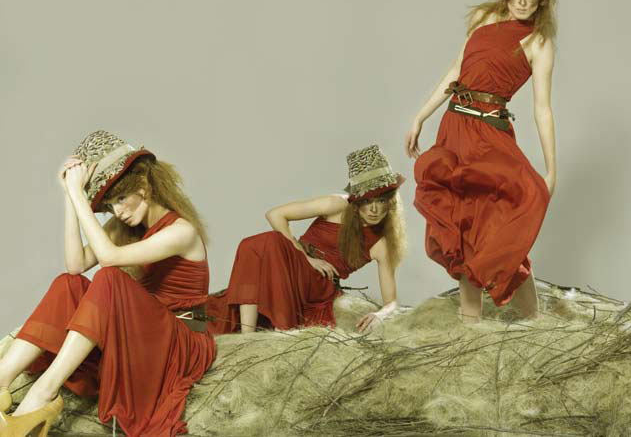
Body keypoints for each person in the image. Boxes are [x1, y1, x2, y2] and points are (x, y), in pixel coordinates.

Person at [0, 130, 215, 436]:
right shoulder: (126, 225)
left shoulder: (182, 232)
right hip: (143, 330)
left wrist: (79, 195)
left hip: (180, 340)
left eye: (121, 199)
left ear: (143, 186)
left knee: (109, 277)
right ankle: (2, 380)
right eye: (110, 206)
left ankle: (43, 395)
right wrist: (70, 198)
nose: (118, 212)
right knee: (68, 283)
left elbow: (109, 259)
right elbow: (75, 265)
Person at [405, 0, 558, 322]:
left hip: (490, 136)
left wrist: (551, 169)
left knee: (499, 228)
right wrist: (421, 115)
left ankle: (534, 321)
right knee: (461, 225)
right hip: (454, 127)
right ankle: (470, 324)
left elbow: (542, 108)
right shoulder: (483, 20)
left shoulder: (539, 42)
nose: (523, 0)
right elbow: (457, 70)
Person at [207, 145, 406, 334]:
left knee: (268, 242)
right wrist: (305, 257)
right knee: (252, 244)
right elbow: (275, 214)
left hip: (318, 284)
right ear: (356, 201)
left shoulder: (381, 244)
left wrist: (380, 314)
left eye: (381, 200)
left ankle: (273, 328)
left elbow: (391, 302)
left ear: (391, 202)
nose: (374, 209)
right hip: (291, 261)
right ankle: (247, 335)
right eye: (366, 201)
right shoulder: (337, 205)